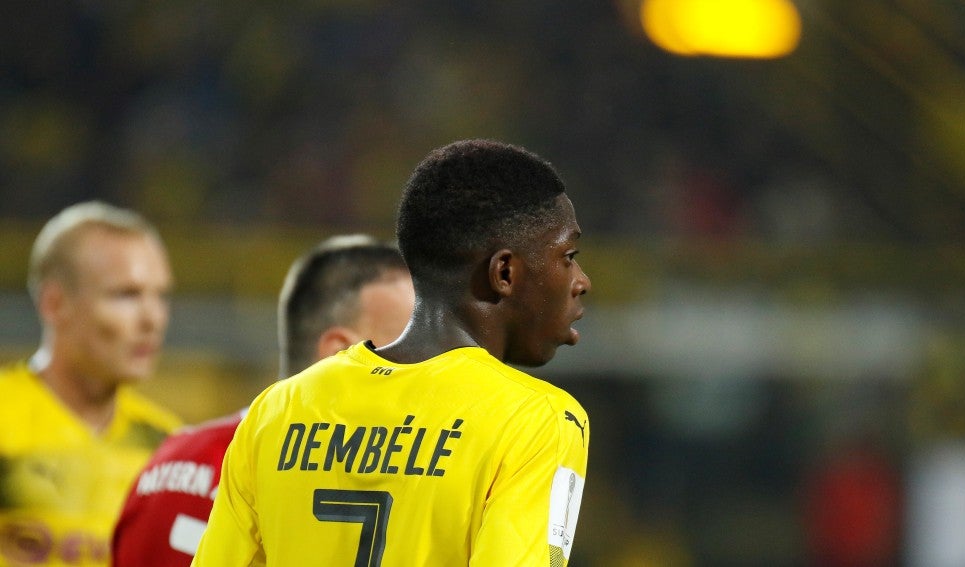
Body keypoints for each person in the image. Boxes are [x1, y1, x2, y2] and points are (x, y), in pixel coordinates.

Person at [193, 138, 593, 566]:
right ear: (505, 272)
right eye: (568, 256)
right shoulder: (538, 420)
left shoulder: (276, 411)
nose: (582, 280)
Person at [110, 234, 415, 566]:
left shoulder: (176, 464)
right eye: (414, 350)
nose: (436, 372)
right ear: (339, 355)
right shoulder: (410, 479)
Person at [0, 201, 184, 566]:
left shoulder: (169, 448)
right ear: (55, 304)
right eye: (126, 294)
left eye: (161, 296)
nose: (152, 319)